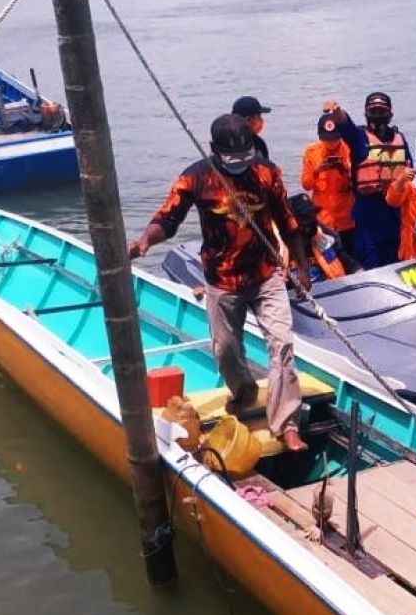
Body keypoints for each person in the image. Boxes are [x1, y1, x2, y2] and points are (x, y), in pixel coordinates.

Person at [127, 113, 309, 452]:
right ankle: (244, 391)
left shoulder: (267, 172)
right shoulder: (195, 178)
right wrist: (144, 242)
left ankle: (286, 423)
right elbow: (168, 219)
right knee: (226, 350)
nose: (241, 164)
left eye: (246, 157)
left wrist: (301, 268)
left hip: (266, 274)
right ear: (214, 150)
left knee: (282, 345)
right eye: (233, 159)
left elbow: (289, 221)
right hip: (222, 279)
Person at [323, 92, 410, 270]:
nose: (378, 115)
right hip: (368, 213)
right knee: (371, 263)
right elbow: (345, 124)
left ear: (390, 115)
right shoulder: (358, 138)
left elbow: (411, 169)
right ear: (366, 113)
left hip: (396, 212)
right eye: (373, 111)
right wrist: (336, 111)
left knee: (398, 261)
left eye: (382, 111)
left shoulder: (400, 139)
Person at [299, 112, 355, 253]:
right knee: (329, 260)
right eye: (327, 139)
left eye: (334, 139)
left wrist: (344, 171)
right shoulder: (311, 152)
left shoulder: (350, 150)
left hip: (346, 221)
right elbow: (306, 185)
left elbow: (358, 185)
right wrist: (317, 171)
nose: (331, 143)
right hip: (323, 222)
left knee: (350, 257)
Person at [286, 194, 360, 284]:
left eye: (312, 216)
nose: (310, 223)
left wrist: (361, 274)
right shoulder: (280, 247)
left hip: (330, 289)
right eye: (305, 218)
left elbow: (348, 262)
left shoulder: (325, 236)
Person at [232, 95, 272, 160]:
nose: (261, 120)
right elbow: (266, 167)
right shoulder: (258, 143)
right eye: (258, 116)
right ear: (248, 119)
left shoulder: (222, 139)